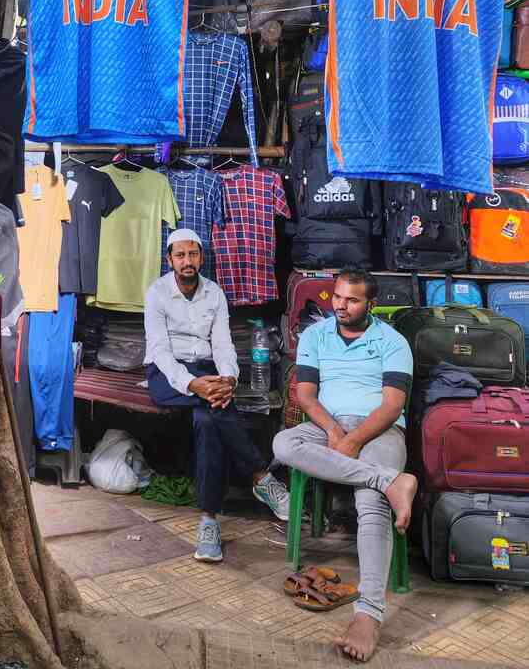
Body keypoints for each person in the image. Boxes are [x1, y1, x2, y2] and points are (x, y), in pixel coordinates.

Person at [273, 267, 419, 664]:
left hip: (379, 431)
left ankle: (368, 616)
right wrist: (335, 433)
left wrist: (355, 439)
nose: (341, 305)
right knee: (284, 442)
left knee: (371, 503)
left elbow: (392, 406)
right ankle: (392, 481)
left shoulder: (393, 341)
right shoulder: (315, 335)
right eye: (337, 297)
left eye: (351, 300)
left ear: (370, 303)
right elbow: (305, 395)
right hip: (326, 427)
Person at [143, 228, 289, 563]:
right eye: (180, 255)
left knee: (208, 420)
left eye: (193, 254)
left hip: (208, 370)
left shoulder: (215, 294)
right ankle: (260, 476)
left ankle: (209, 521)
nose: (187, 261)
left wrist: (227, 379)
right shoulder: (157, 293)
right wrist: (194, 385)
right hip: (167, 374)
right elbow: (160, 352)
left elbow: (223, 345)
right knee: (211, 408)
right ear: (170, 260)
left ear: (201, 257)